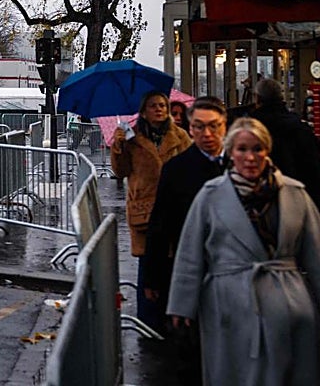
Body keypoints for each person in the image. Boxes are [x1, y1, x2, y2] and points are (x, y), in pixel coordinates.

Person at [167, 118, 320, 386]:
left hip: (289, 304)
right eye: (242, 149)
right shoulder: (211, 195)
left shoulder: (296, 194)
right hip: (229, 303)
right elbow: (190, 253)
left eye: (257, 148)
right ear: (231, 152)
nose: (250, 157)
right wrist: (182, 305)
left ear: (267, 150)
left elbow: (316, 253)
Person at [142, 96, 227, 362]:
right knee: (192, 350)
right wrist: (153, 276)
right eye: (199, 127)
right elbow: (160, 224)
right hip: (190, 266)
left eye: (214, 126)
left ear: (225, 126)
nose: (207, 134)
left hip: (235, 270)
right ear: (191, 128)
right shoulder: (177, 170)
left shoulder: (243, 163)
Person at [110, 89, 191, 328]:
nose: (160, 110)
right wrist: (118, 147)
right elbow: (121, 171)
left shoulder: (181, 136)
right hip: (144, 211)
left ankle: (171, 320)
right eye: (154, 106)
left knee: (172, 266)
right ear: (143, 111)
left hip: (174, 211)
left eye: (163, 106)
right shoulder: (131, 138)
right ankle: (148, 323)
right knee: (148, 268)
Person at [248, 77, 320, 207]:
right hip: (299, 197)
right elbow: (314, 166)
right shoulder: (300, 128)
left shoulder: (250, 129)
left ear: (257, 99)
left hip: (261, 199)